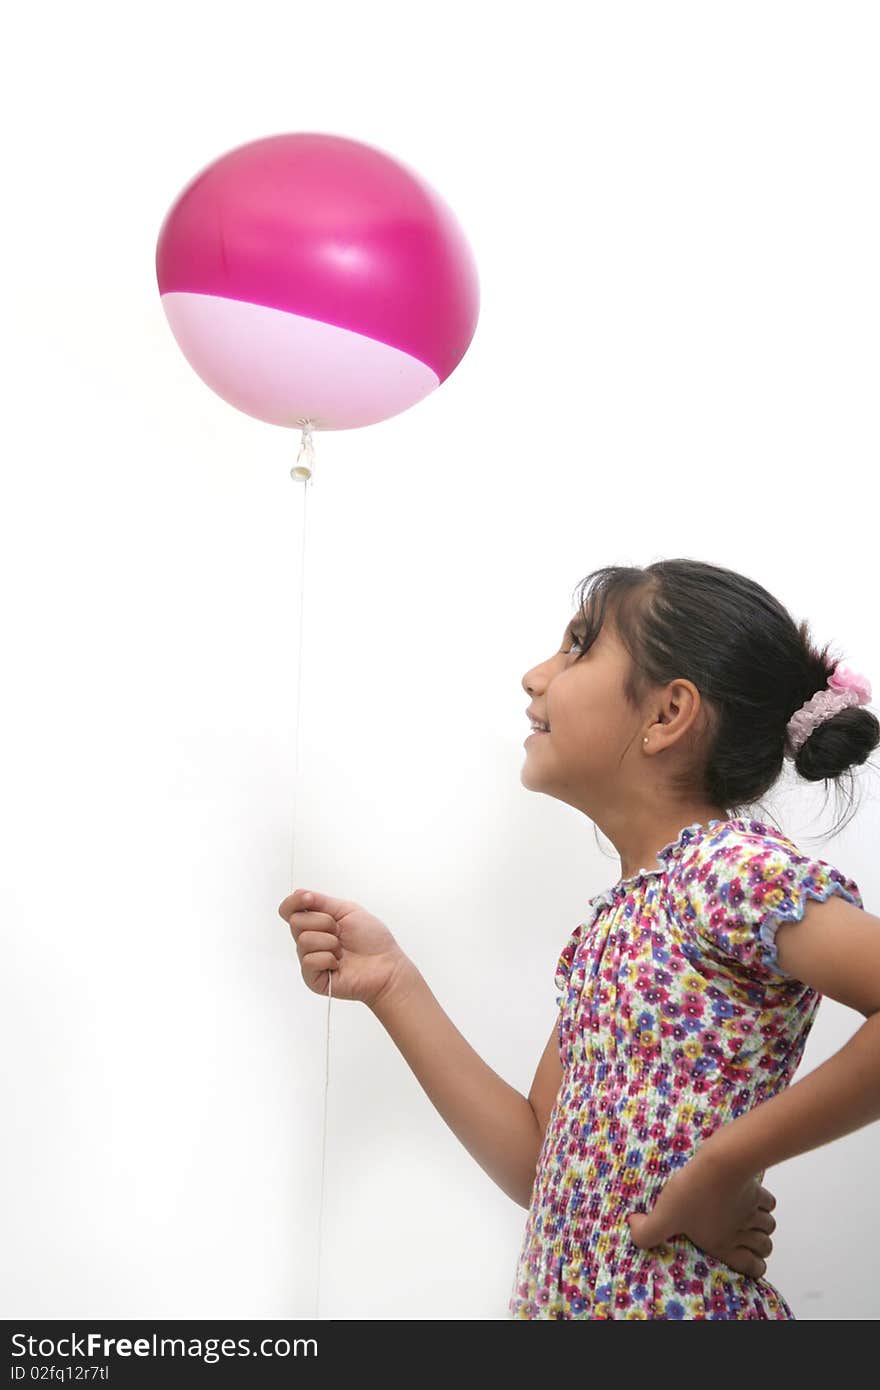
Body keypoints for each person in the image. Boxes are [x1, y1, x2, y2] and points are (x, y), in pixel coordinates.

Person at [279, 558, 880, 1319]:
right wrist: (394, 982)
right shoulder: (618, 923)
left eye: (578, 647)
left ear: (667, 716)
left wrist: (723, 1166)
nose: (535, 676)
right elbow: (543, 1168)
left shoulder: (730, 872)